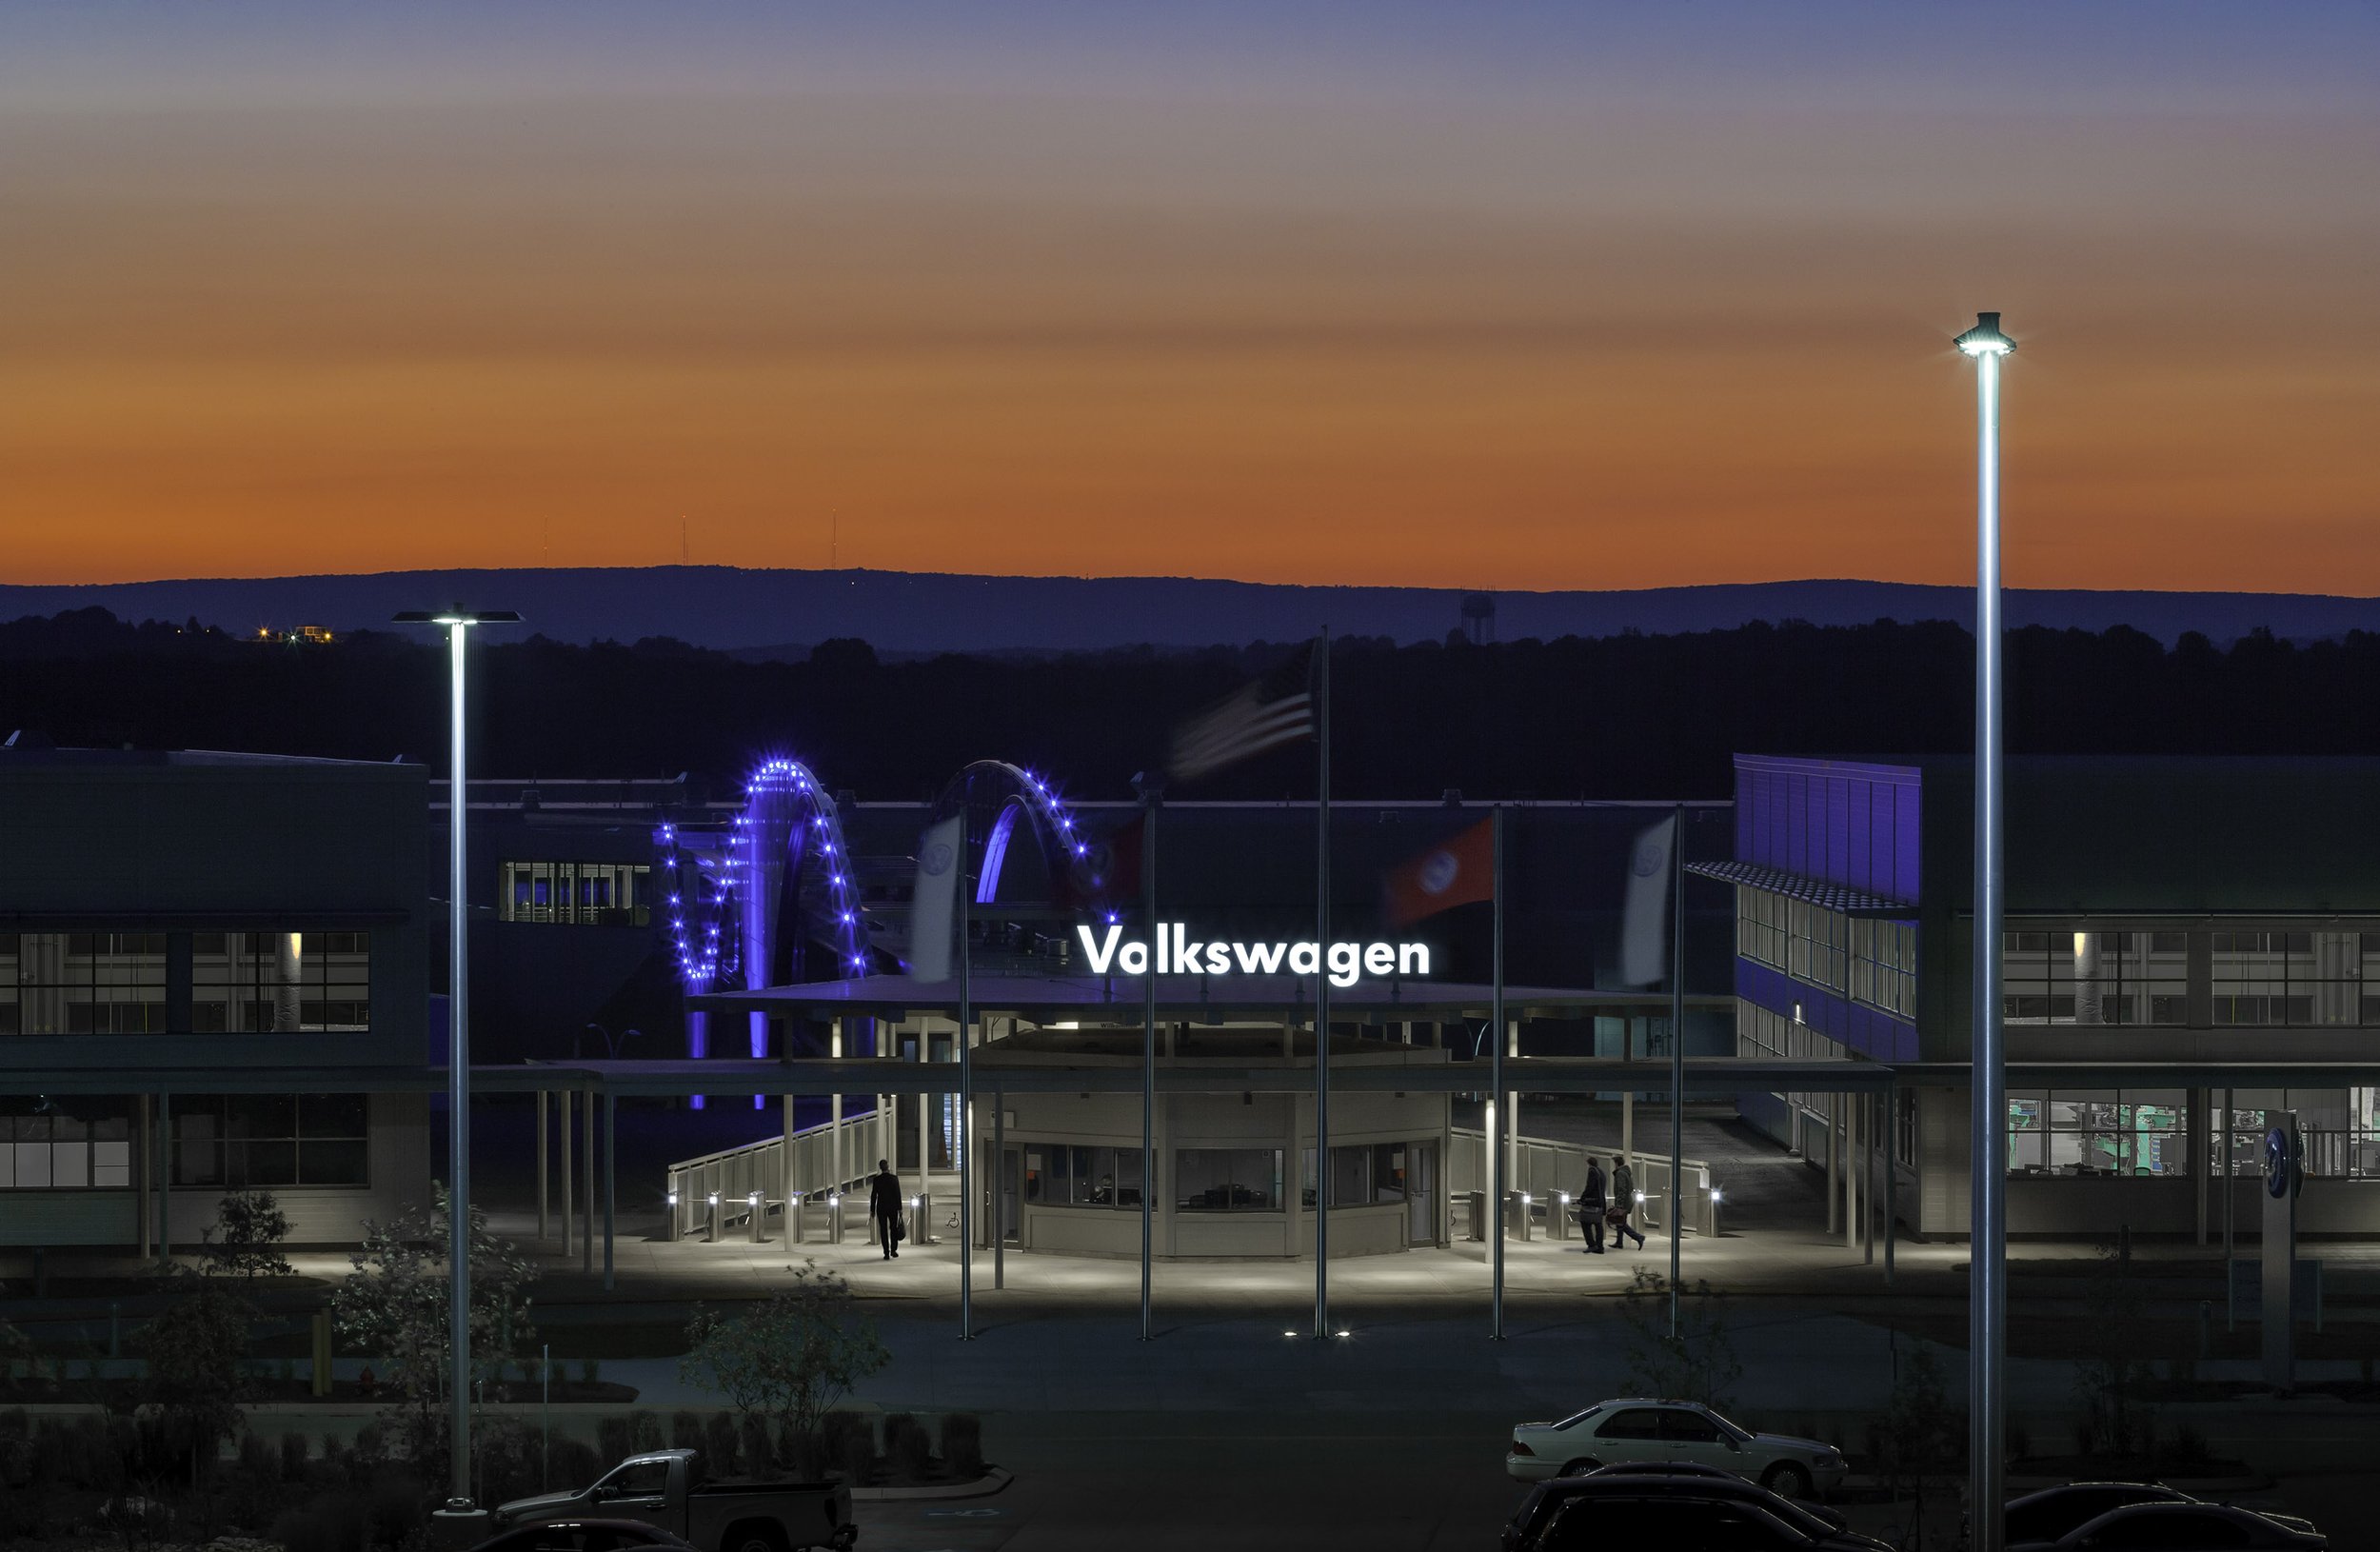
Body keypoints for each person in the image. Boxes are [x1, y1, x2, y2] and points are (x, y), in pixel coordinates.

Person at [1608, 1156, 1647, 1249]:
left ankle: (1639, 1237)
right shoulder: (1627, 1173)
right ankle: (1619, 1242)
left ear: (1616, 1164)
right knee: (1620, 1222)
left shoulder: (1620, 1174)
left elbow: (1622, 1189)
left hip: (1623, 1202)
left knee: (1621, 1223)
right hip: (1627, 1201)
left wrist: (1619, 1205)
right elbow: (1630, 1187)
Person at [868, 1158, 904, 1259]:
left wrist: (872, 1209)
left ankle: (886, 1252)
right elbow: (898, 1194)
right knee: (893, 1228)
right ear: (887, 1166)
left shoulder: (877, 1180)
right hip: (893, 1207)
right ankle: (893, 1250)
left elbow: (874, 1195)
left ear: (880, 1168)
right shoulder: (894, 1178)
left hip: (881, 1208)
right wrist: (900, 1208)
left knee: (883, 1230)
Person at [1577, 1157, 1607, 1253]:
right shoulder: (1601, 1172)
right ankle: (1600, 1247)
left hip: (1592, 1202)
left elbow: (1589, 1186)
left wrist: (1582, 1198)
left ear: (1589, 1164)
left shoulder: (1592, 1171)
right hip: (1600, 1202)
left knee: (1585, 1222)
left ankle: (1591, 1244)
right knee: (1598, 1225)